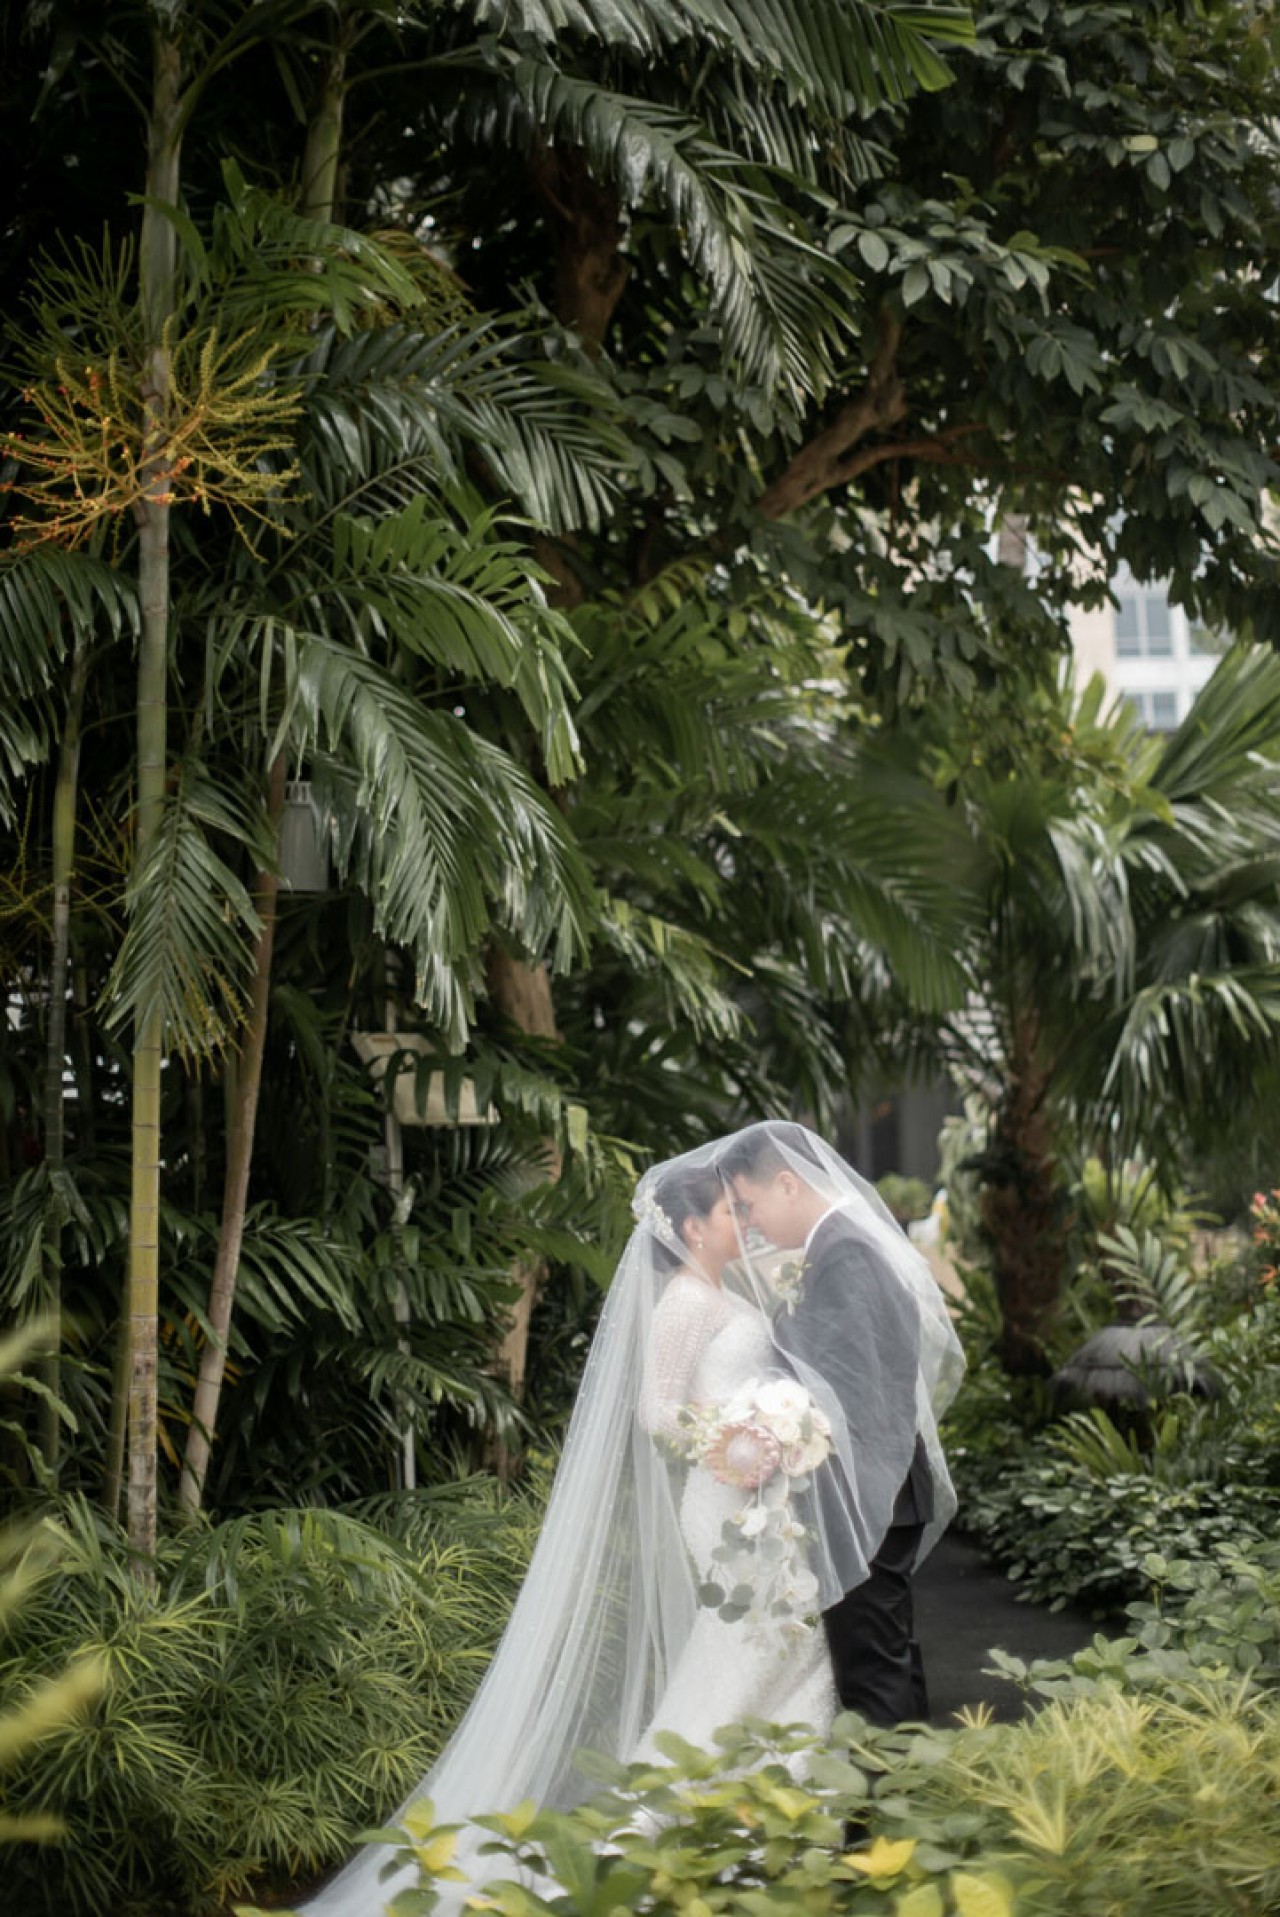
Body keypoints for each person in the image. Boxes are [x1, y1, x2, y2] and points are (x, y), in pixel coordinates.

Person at [301, 1124, 963, 1916]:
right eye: (731, 1210)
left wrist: (772, 1432)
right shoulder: (686, 1301)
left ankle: (812, 1829)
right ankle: (748, 1832)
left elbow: (836, 1380)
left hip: (778, 1496)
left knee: (811, 1655)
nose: (745, 1220)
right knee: (779, 1649)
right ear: (691, 1227)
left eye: (747, 1203)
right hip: (731, 1494)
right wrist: (735, 1439)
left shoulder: (780, 1276)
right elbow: (658, 1410)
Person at [720, 1121, 966, 1726]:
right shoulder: (842, 1243)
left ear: (787, 1184)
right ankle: (913, 1777)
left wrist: (772, 1415)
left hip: (870, 1493)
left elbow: (851, 1386)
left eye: (751, 1204)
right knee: (889, 1655)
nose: (752, 1222)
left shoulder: (846, 1252)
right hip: (882, 1488)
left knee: (872, 1670)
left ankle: (887, 1787)